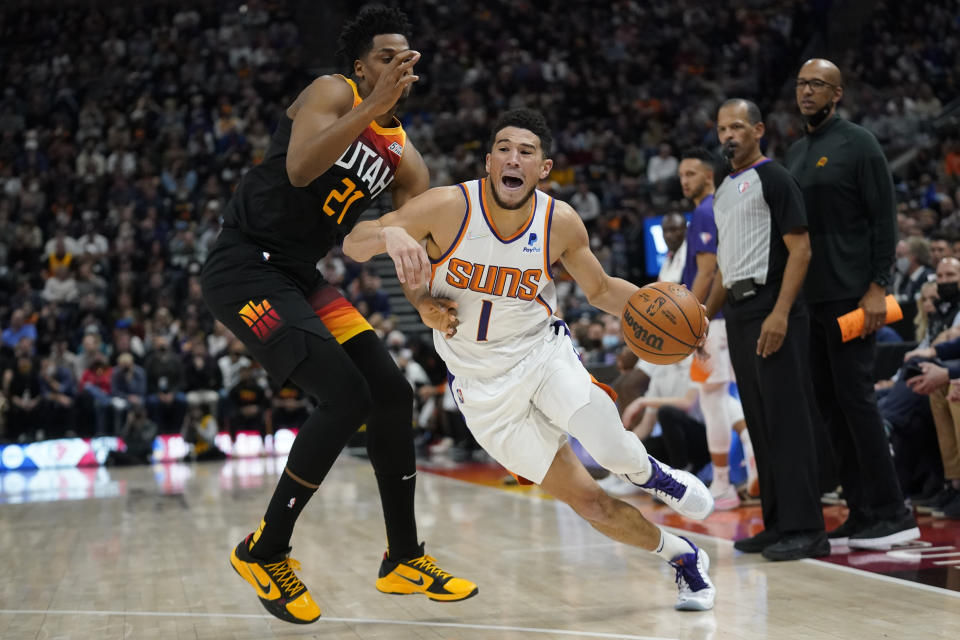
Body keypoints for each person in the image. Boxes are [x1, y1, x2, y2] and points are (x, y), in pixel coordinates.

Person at [343, 108, 717, 611]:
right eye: (503, 148)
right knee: (589, 502)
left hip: (542, 354)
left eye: (526, 151)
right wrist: (392, 241)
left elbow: (602, 290)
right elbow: (354, 242)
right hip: (478, 385)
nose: (513, 158)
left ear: (544, 168)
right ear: (488, 161)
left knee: (610, 449)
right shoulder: (447, 206)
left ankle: (653, 474)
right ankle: (683, 555)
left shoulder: (558, 220)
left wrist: (683, 321)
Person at [199, 6, 475, 624]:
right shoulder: (333, 92)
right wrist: (368, 107)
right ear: (360, 66)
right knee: (345, 395)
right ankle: (264, 550)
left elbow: (404, 242)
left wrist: (423, 299)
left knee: (391, 392)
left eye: (407, 57)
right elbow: (300, 168)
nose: (400, 64)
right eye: (386, 55)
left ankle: (403, 557)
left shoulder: (407, 158)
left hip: (301, 276)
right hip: (245, 266)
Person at [786, 59, 920, 549]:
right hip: (813, 299)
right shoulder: (798, 151)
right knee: (830, 404)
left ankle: (894, 511)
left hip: (852, 294)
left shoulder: (859, 143)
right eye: (802, 84)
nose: (807, 92)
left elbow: (884, 217)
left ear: (837, 93)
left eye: (817, 85)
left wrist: (879, 286)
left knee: (858, 400)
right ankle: (862, 511)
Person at [703, 98, 827, 561]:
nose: (728, 136)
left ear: (758, 130)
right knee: (759, 420)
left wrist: (780, 313)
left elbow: (802, 250)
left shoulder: (774, 177)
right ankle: (777, 524)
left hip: (774, 309)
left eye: (737, 127)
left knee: (788, 421)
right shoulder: (723, 186)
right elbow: (722, 268)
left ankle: (808, 528)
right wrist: (702, 317)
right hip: (738, 311)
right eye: (721, 129)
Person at [678, 147, 755, 510]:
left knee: (712, 399)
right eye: (681, 175)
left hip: (711, 322)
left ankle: (723, 481)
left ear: (708, 176)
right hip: (721, 320)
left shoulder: (706, 211)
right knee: (721, 396)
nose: (684, 181)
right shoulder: (714, 209)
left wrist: (692, 317)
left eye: (690, 174)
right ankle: (753, 467)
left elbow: (707, 271)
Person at [658, 212, 687, 284]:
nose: (668, 235)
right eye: (665, 230)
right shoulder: (669, 256)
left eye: (673, 229)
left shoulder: (692, 256)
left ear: (685, 229)